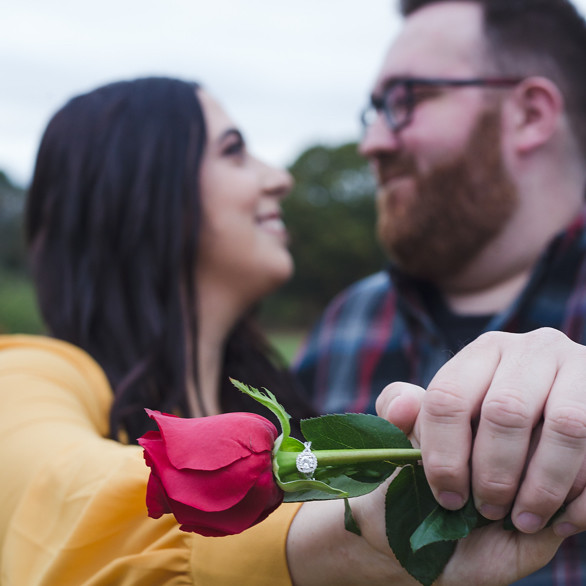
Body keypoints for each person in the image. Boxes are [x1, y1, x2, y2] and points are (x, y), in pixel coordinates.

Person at [4, 76, 569, 586]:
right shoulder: (27, 376)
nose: (280, 178)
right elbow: (54, 494)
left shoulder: (304, 387)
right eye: (234, 151)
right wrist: (348, 543)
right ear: (137, 188)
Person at [293, 0, 586, 582]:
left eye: (407, 100)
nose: (372, 142)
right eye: (374, 110)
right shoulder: (346, 322)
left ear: (529, 114)